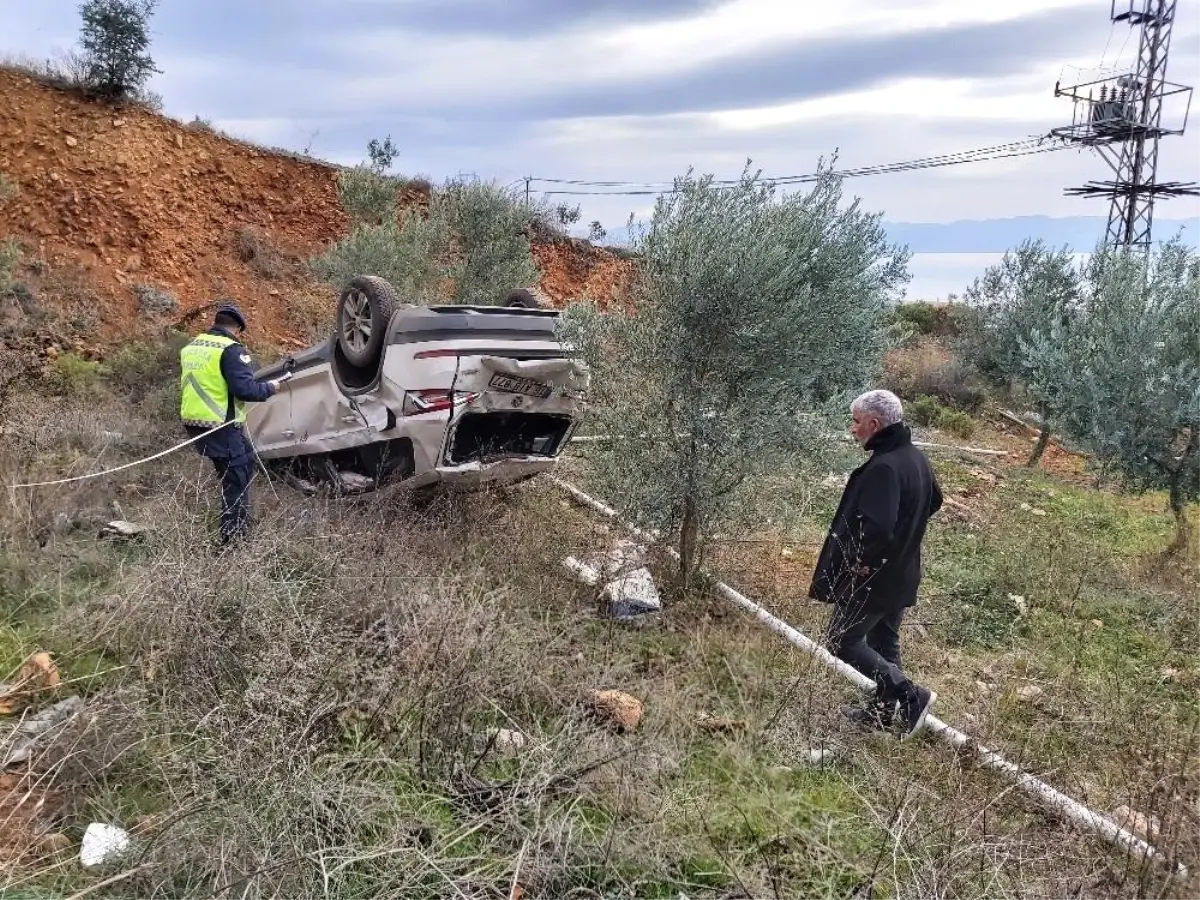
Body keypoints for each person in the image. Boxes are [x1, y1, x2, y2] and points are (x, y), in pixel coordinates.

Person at [808, 389, 943, 738]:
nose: (853, 429)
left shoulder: (884, 466)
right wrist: (906, 534)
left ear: (873, 423)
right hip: (902, 572)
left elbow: (878, 526)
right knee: (884, 642)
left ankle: (911, 695)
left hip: (874, 576)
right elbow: (935, 501)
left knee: (842, 640)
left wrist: (860, 562)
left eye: (855, 422)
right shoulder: (915, 458)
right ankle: (882, 714)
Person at [179, 302, 285, 545]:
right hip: (221, 426)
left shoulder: (192, 346)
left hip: (196, 423)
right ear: (237, 328)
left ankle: (240, 520)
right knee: (236, 479)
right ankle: (233, 540)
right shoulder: (231, 349)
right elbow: (244, 389)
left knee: (245, 460)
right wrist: (271, 388)